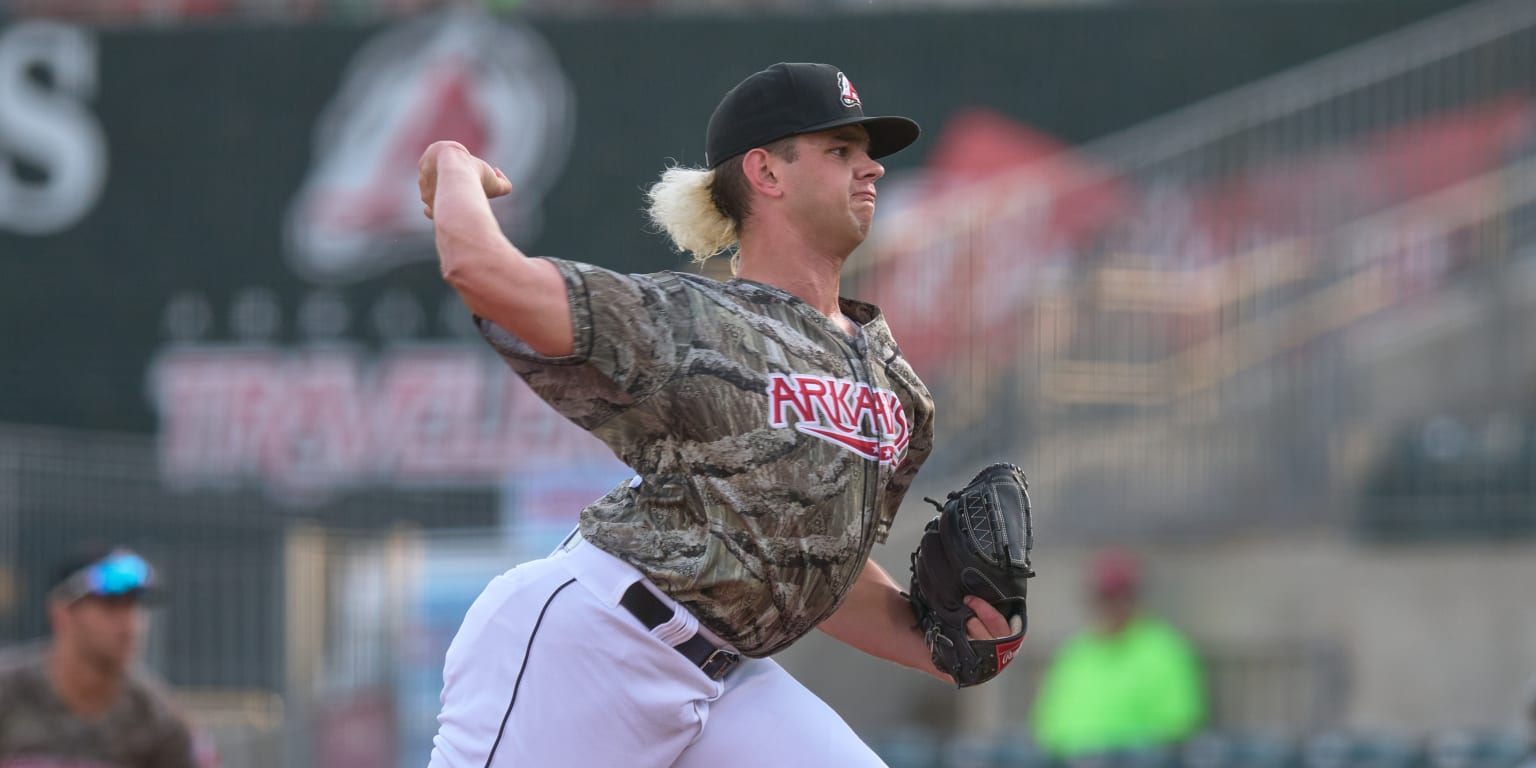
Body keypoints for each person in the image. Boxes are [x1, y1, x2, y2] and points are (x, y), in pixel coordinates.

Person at [417, 61, 1019, 767]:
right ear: (766, 173)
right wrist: (450, 166)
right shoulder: (690, 321)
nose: (872, 170)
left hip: (729, 681)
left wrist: (949, 648)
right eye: (839, 151)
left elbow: (821, 566)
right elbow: (482, 273)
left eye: (868, 154)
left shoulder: (896, 388)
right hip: (595, 647)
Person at [0, 546, 201, 767]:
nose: (129, 624)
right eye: (111, 605)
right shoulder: (9, 694)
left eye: (133, 605)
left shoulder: (157, 720)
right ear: (62, 614)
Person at [1030, 549, 1206, 761]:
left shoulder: (1165, 651)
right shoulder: (1075, 652)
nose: (1110, 606)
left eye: (1118, 597)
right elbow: (1047, 725)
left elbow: (1178, 726)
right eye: (1103, 597)